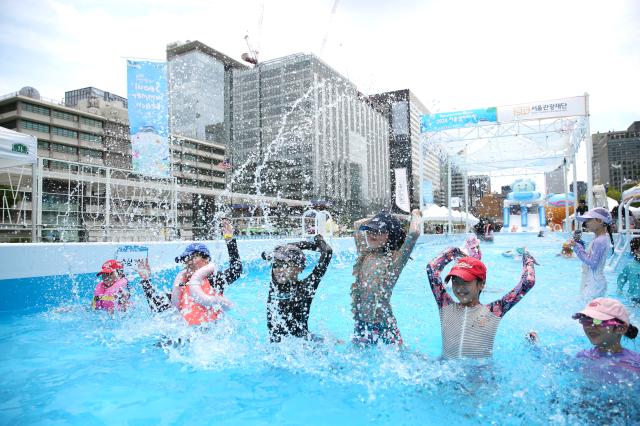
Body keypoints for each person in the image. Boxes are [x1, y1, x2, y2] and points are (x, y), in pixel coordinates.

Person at [426, 247, 537, 359]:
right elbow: (431, 268)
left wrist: (528, 258)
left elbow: (528, 282)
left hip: (478, 374)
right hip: (444, 370)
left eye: (466, 282)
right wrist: (455, 252)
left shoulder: (494, 311)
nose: (459, 288)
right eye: (455, 281)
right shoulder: (445, 305)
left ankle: (531, 343)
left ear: (481, 284)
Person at [137, 219, 242, 325]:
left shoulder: (214, 280)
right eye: (186, 259)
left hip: (211, 331)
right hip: (187, 335)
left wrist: (229, 239)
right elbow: (158, 307)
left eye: (193, 257)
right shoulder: (181, 285)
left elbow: (236, 270)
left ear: (206, 260)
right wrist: (145, 280)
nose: (189, 262)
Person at [351, 209, 422, 346]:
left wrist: (415, 215)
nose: (372, 234)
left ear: (392, 235)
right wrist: (380, 217)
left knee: (398, 360)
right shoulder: (365, 253)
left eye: (379, 231)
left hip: (383, 324)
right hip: (361, 323)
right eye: (371, 230)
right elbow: (356, 225)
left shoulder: (394, 262)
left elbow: (414, 233)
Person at [261, 234, 332, 342]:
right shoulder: (274, 285)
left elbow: (327, 252)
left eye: (285, 265)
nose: (279, 270)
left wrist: (318, 240)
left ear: (299, 268)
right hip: (277, 347)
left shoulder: (306, 287)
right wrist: (309, 245)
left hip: (301, 346)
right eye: (276, 265)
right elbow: (280, 247)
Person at [572, 298, 640, 374]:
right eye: (585, 320)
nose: (590, 326)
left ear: (621, 328)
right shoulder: (582, 357)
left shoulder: (636, 364)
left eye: (598, 321)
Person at [569, 207, 614, 300]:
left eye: (589, 220)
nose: (586, 223)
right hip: (595, 280)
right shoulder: (600, 239)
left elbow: (593, 263)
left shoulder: (600, 241)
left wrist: (578, 248)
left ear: (599, 221)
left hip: (594, 283)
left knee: (588, 310)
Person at [617, 237, 640, 304]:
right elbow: (621, 279)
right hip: (634, 299)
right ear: (636, 252)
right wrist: (619, 289)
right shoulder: (630, 267)